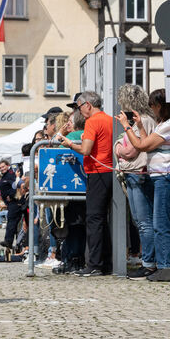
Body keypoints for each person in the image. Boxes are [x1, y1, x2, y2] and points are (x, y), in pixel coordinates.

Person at [118, 89, 170, 276]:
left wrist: (126, 126)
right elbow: (146, 141)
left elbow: (141, 146)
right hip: (161, 176)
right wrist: (140, 126)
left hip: (166, 175)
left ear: (160, 106)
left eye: (153, 106)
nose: (151, 109)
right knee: (168, 221)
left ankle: (164, 267)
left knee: (161, 224)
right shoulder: (162, 124)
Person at [60, 91, 113, 276]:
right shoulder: (109, 119)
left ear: (88, 105)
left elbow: (86, 149)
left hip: (98, 171)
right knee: (102, 219)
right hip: (108, 171)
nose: (78, 111)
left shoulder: (92, 121)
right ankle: (105, 263)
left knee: (94, 218)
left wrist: (69, 144)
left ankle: (95, 264)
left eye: (79, 107)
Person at [109, 86, 154, 278]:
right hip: (135, 172)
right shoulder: (144, 120)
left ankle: (149, 263)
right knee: (140, 221)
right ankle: (148, 261)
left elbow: (129, 150)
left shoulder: (142, 121)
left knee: (143, 221)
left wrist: (118, 146)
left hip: (138, 172)